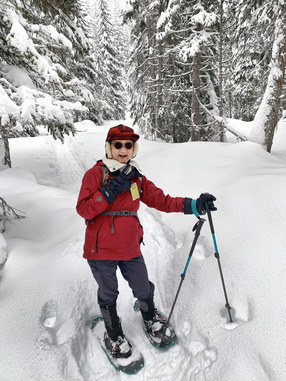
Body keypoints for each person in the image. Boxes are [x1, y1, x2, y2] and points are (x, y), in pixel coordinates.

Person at [76, 124, 216, 359]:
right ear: (109, 147)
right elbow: (83, 209)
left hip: (130, 247)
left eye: (128, 145)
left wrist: (193, 205)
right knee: (109, 292)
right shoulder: (96, 174)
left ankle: (150, 317)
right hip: (100, 250)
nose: (123, 150)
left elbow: (162, 200)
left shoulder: (135, 177)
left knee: (142, 285)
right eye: (117, 145)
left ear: (133, 149)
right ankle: (113, 333)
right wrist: (107, 193)